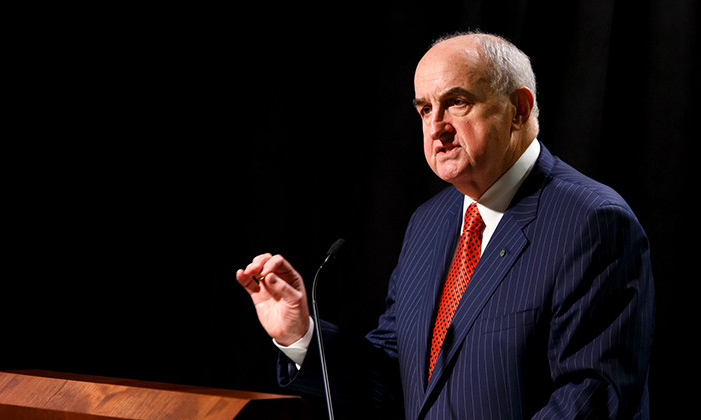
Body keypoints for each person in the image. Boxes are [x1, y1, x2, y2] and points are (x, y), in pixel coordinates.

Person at [236, 31, 654, 419]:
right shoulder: (430, 222)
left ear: (519, 109)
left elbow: (595, 396)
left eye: (457, 102)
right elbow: (394, 375)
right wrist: (301, 336)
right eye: (424, 108)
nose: (437, 127)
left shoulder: (591, 222)